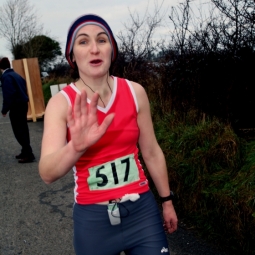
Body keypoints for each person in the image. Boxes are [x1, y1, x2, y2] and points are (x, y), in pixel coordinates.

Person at [39, 14, 178, 255]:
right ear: (72, 56)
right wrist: (76, 147)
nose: (94, 48)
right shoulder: (61, 104)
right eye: (83, 42)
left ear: (111, 50)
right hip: (93, 221)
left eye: (102, 40)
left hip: (142, 213)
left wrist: (167, 201)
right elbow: (47, 173)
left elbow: (152, 152)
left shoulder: (135, 92)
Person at [0, 57, 35, 163]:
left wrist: (4, 109)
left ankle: (28, 154)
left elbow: (9, 94)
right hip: (23, 104)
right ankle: (25, 151)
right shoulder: (16, 75)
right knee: (23, 129)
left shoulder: (6, 77)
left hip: (16, 106)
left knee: (19, 131)